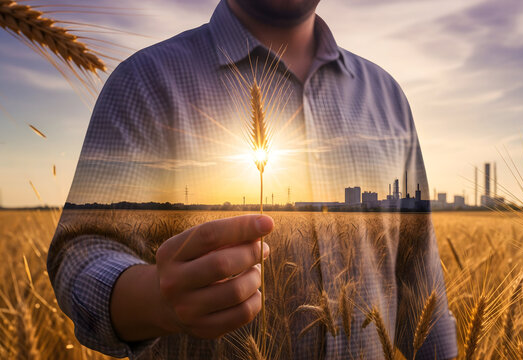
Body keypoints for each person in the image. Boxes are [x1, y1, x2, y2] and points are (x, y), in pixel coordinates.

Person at [47, 0, 458, 358]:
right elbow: (82, 251)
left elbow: (419, 281)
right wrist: (153, 300)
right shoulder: (147, 80)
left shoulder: (388, 96)